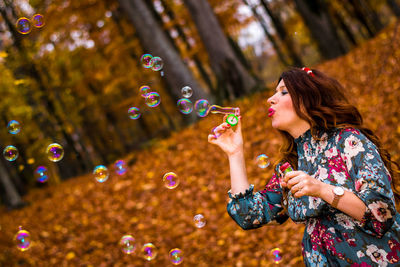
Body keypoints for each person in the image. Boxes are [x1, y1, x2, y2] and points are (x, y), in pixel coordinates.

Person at [208, 67, 400, 266]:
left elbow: (381, 215)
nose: (270, 99)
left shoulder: (348, 142)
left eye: (283, 92)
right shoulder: (289, 166)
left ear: (308, 98)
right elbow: (248, 215)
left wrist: (322, 189)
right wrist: (235, 153)